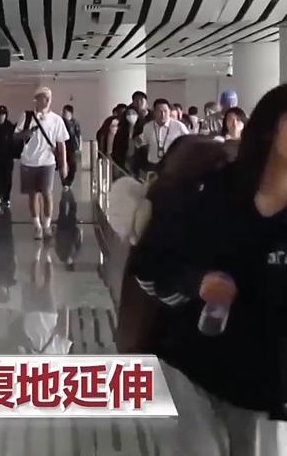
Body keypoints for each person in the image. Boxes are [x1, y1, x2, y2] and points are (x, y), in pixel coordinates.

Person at [130, 85, 287, 455]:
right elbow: (151, 263)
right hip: (196, 369)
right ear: (270, 129)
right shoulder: (214, 191)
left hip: (268, 384)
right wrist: (197, 282)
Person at [15, 87, 69, 239]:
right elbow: (16, 136)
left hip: (48, 162)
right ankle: (37, 226)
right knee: (33, 195)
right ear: (36, 99)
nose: (46, 100)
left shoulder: (56, 120)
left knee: (47, 193)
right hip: (28, 162)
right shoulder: (26, 116)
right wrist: (27, 133)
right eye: (43, 97)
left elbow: (61, 143)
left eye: (48, 97)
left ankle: (47, 225)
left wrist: (63, 163)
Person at [141, 98, 190, 172]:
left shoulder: (179, 126)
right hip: (153, 165)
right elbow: (144, 143)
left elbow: (188, 142)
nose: (163, 114)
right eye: (159, 111)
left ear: (169, 111)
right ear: (154, 112)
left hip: (173, 165)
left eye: (165, 111)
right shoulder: (148, 127)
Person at [61, 105, 82, 189]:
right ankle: (65, 182)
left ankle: (68, 181)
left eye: (65, 112)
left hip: (72, 146)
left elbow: (78, 134)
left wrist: (79, 146)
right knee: (62, 165)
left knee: (73, 166)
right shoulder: (61, 122)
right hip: (63, 145)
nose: (63, 113)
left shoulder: (75, 122)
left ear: (70, 113)